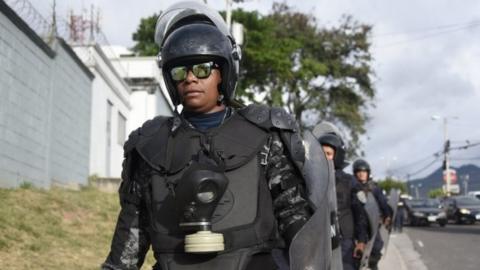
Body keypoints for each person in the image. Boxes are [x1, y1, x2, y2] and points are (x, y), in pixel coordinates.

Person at [101, 2, 317, 270]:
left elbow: (295, 217)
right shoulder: (151, 145)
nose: (190, 79)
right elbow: (130, 238)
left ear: (222, 73)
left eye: (202, 69)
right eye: (180, 71)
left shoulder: (265, 134)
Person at [318, 133, 369, 270]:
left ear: (337, 156)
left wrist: (361, 241)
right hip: (318, 242)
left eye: (328, 153)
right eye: (321, 153)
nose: (324, 157)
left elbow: (360, 214)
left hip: (343, 241)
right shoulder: (310, 179)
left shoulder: (349, 181)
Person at [352, 159, 393, 270]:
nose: (361, 174)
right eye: (359, 171)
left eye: (364, 171)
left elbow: (383, 203)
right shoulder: (352, 188)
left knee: (376, 247)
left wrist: (387, 216)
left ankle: (373, 265)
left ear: (368, 173)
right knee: (357, 251)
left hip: (373, 224)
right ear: (355, 173)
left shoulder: (374, 188)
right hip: (357, 224)